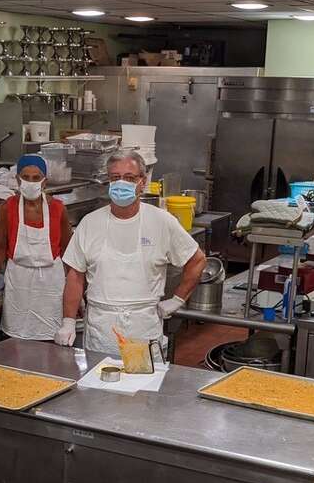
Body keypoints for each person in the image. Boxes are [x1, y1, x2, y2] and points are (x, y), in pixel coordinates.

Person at [55, 149, 206, 352]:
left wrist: (177, 300)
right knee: (99, 381)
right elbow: (75, 275)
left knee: (143, 382)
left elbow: (197, 260)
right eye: (115, 178)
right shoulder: (90, 223)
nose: (121, 183)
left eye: (129, 178)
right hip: (101, 327)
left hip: (143, 326)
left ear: (142, 182)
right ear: (108, 182)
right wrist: (68, 321)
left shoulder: (162, 221)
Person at [0, 154, 72, 340]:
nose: (31, 182)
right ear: (18, 180)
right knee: (16, 339)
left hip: (51, 284)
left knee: (51, 338)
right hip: (19, 281)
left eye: (36, 178)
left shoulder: (58, 209)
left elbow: (68, 251)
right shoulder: (7, 208)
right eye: (26, 177)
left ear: (45, 182)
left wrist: (75, 293)